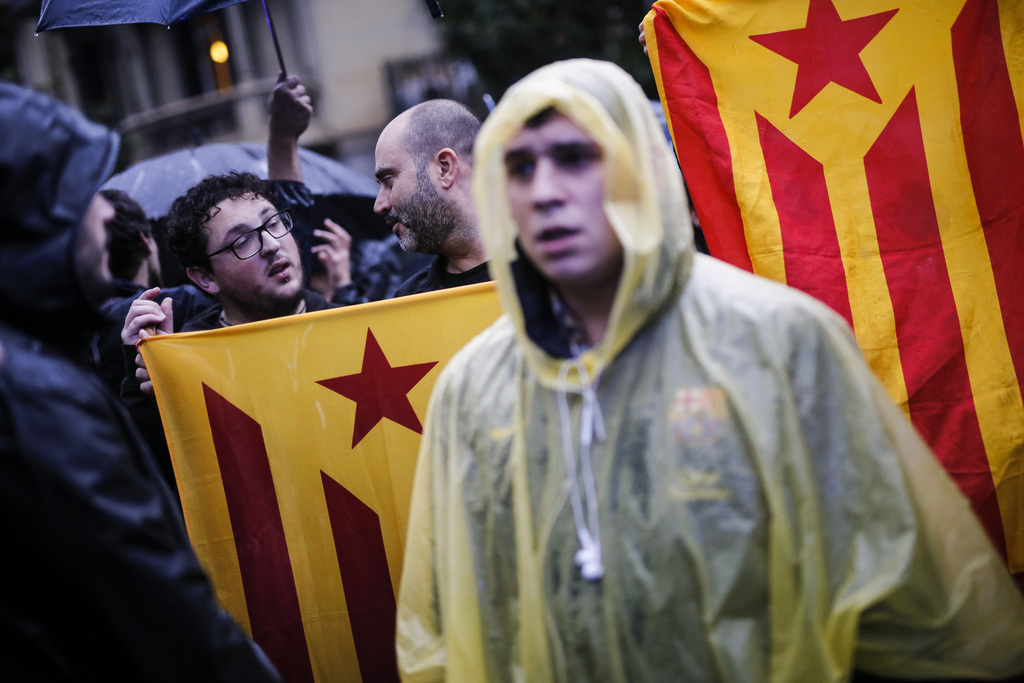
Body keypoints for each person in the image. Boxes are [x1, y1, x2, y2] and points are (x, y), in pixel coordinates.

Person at [395, 59, 1024, 681]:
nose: (545, 190)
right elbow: (453, 626)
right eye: (520, 167)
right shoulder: (474, 389)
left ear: (640, 170)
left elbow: (905, 592)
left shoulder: (777, 341)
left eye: (578, 157)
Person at [0, 83, 281, 681]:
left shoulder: (32, 372)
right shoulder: (36, 399)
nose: (108, 214)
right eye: (83, 195)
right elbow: (170, 615)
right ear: (33, 225)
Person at [373, 99, 490, 296]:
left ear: (445, 168)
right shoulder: (410, 305)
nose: (379, 205)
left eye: (389, 180)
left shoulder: (549, 271)